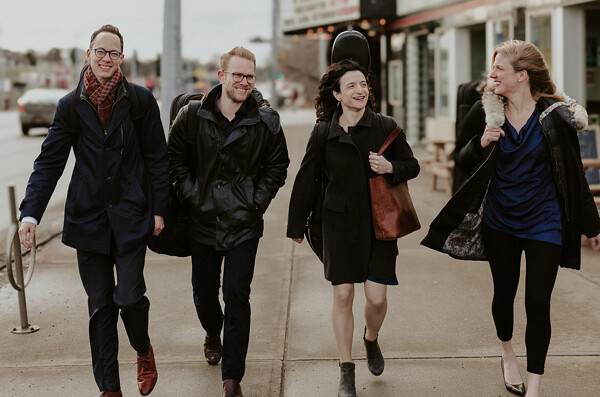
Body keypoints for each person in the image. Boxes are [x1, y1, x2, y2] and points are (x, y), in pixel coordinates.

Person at [421, 40, 600, 397]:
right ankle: (507, 354)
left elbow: (573, 172)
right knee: (504, 295)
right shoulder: (486, 113)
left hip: (544, 221)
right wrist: (481, 144)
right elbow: (463, 161)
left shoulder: (555, 115)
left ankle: (534, 388)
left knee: (538, 303)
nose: (491, 76)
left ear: (522, 76)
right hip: (500, 219)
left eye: (499, 69)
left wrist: (591, 225)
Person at [18, 24, 168, 397]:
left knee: (130, 298)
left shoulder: (140, 101)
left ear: (122, 58)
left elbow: (157, 159)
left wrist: (160, 209)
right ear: (88, 54)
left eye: (113, 53)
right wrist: (30, 214)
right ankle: (109, 389)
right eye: (100, 51)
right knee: (100, 306)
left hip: (132, 215)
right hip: (88, 219)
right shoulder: (70, 106)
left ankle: (142, 350)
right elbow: (49, 162)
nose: (106, 58)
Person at [286, 59, 420, 397]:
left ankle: (371, 338)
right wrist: (295, 224)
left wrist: (390, 166)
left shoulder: (385, 125)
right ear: (337, 94)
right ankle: (346, 368)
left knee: (376, 298)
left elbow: (412, 165)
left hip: (379, 223)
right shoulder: (323, 132)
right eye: (351, 86)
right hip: (338, 222)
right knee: (343, 294)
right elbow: (306, 178)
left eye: (363, 84)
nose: (360, 90)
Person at [167, 46, 289, 397]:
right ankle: (211, 330)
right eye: (237, 75)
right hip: (201, 221)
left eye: (250, 76)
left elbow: (278, 166)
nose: (244, 82)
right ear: (221, 77)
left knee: (237, 294)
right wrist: (192, 195)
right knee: (205, 294)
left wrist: (256, 201)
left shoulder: (266, 121)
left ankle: (231, 377)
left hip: (243, 223)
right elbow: (174, 157)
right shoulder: (192, 115)